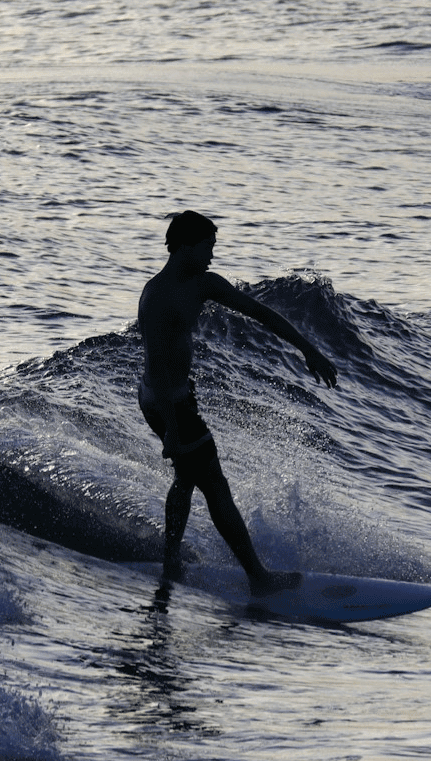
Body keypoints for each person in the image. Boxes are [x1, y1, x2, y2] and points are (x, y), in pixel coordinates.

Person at [137, 210, 338, 595]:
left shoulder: (202, 283)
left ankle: (170, 561)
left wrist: (307, 349)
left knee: (187, 476)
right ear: (184, 246)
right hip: (166, 402)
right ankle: (258, 579)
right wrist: (174, 434)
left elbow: (260, 313)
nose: (212, 255)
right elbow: (159, 371)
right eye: (207, 246)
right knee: (213, 483)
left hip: (174, 398)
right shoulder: (158, 299)